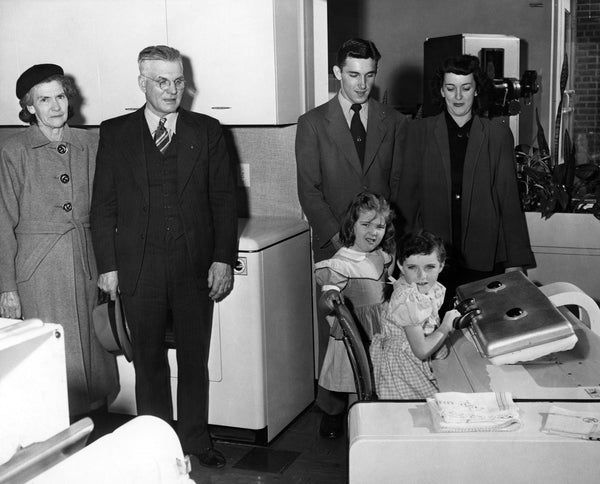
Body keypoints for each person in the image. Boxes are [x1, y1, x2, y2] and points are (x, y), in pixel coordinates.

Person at [90, 45, 237, 469]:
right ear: (142, 83)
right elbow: (103, 208)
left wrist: (222, 259)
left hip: (194, 266)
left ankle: (196, 439)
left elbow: (224, 201)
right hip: (139, 266)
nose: (173, 90)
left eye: (178, 81)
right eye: (162, 81)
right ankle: (154, 443)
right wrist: (108, 267)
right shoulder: (115, 133)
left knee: (194, 358)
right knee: (149, 360)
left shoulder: (207, 131)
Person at [295, 38, 408, 438]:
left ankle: (374, 406)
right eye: (354, 75)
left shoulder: (392, 120)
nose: (362, 84)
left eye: (370, 75)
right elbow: (309, 190)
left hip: (378, 243)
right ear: (337, 73)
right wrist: (342, 244)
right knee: (338, 329)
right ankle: (331, 408)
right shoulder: (312, 122)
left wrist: (384, 239)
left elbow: (395, 183)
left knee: (377, 326)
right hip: (335, 247)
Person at [0, 64, 118, 416]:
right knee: (51, 359)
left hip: (86, 262)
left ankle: (95, 431)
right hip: (37, 270)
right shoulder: (13, 151)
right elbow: (2, 222)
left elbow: (108, 208)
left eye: (61, 96)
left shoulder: (90, 143)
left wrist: (110, 265)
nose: (55, 106)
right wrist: (7, 287)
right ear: (30, 107)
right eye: (44, 99)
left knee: (93, 357)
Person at [395, 54, 534, 307]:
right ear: (441, 90)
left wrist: (515, 260)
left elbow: (508, 200)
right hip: (431, 261)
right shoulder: (419, 132)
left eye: (466, 88)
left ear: (476, 90)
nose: (458, 97)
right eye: (451, 88)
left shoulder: (497, 135)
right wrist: (401, 258)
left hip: (484, 260)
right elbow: (407, 200)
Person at [315, 192, 395, 436]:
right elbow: (326, 296)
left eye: (379, 226)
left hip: (380, 333)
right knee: (357, 391)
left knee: (378, 387)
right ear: (352, 226)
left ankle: (372, 435)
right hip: (357, 337)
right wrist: (329, 298)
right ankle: (356, 441)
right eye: (366, 225)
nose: (373, 232)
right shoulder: (341, 262)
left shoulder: (381, 256)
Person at [371, 230, 461, 399]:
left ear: (441, 265)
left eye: (430, 267)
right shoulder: (408, 299)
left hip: (415, 363)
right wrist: (446, 325)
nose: (422, 276)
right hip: (403, 373)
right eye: (412, 267)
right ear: (400, 265)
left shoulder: (419, 288)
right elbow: (421, 350)